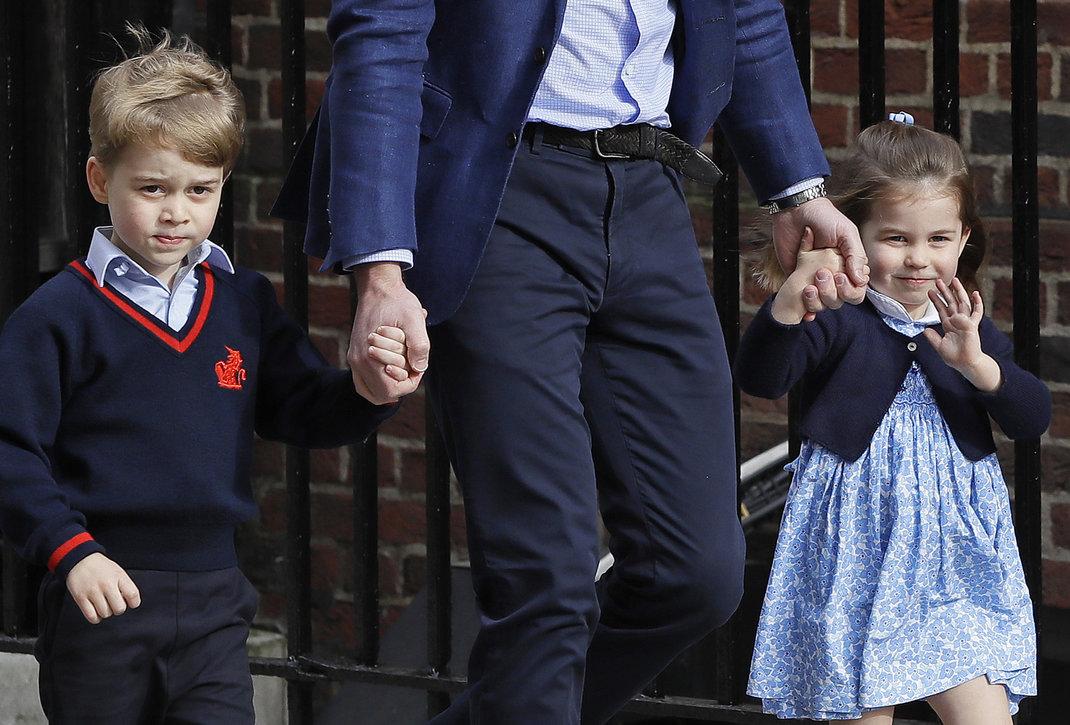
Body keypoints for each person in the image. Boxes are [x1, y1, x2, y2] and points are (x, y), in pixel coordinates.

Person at [273, 2, 870, 722]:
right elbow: (382, 33)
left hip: (649, 188)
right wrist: (380, 272)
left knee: (694, 575)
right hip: (495, 191)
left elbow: (745, 12)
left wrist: (798, 188)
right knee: (544, 585)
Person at [0, 29, 404, 723]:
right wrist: (71, 552)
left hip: (217, 600)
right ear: (99, 179)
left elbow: (301, 405)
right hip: (101, 593)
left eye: (199, 189)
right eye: (151, 187)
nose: (176, 211)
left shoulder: (243, 302)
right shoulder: (57, 315)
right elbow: (9, 450)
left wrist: (366, 391)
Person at [738, 118, 1050, 724]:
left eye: (938, 239)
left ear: (963, 238)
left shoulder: (966, 326)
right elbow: (763, 379)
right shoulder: (840, 315)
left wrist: (978, 366)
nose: (918, 258)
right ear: (855, 235)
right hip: (851, 544)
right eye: (896, 238)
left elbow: (1031, 416)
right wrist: (790, 299)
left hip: (952, 560)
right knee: (856, 704)